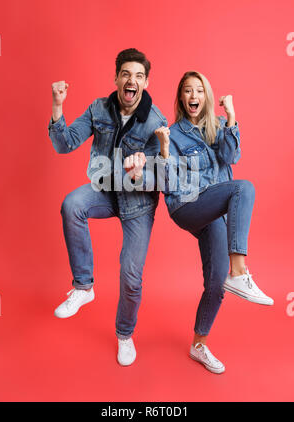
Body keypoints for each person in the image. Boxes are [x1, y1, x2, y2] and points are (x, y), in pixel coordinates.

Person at [48, 48, 167, 366]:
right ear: (116, 78)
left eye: (139, 76)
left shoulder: (155, 122)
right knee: (72, 203)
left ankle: (125, 336)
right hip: (105, 190)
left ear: (146, 82)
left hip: (138, 202)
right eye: (126, 74)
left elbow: (164, 174)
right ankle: (83, 287)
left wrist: (143, 172)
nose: (132, 80)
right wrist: (58, 107)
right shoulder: (98, 109)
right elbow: (65, 143)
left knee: (130, 276)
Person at [155, 70, 273, 374]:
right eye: (187, 91)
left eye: (199, 90)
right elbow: (169, 185)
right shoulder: (172, 133)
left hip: (215, 212)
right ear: (181, 98)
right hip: (187, 205)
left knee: (216, 282)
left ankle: (198, 345)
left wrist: (231, 115)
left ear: (206, 96)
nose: (193, 96)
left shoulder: (217, 127)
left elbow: (231, 157)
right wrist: (165, 150)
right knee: (243, 188)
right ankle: (241, 271)